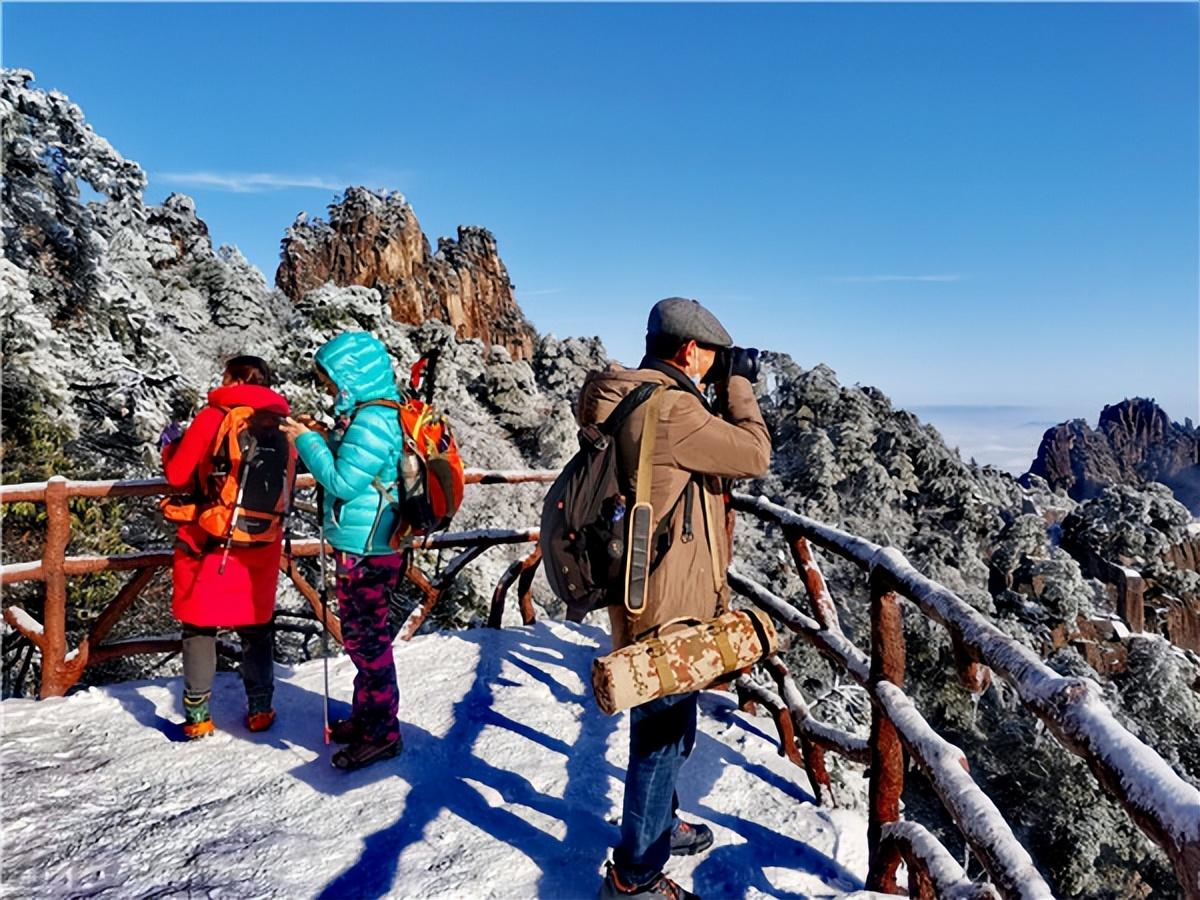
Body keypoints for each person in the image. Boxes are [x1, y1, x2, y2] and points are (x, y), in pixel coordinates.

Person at [577, 298, 771, 900]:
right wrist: (739, 385)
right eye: (712, 357)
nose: (714, 367)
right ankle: (634, 878)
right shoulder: (673, 409)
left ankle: (659, 825)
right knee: (659, 741)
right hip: (666, 602)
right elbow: (755, 454)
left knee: (672, 728)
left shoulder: (630, 396)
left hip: (641, 589)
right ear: (689, 350)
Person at [280, 331, 407, 771]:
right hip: (363, 543)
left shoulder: (373, 420)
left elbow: (343, 482)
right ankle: (368, 717)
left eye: (334, 381)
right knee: (361, 639)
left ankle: (383, 734)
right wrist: (322, 436)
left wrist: (305, 442)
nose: (332, 390)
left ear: (353, 375)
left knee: (369, 643)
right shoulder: (370, 414)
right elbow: (351, 464)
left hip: (370, 548)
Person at [161, 355, 294, 739]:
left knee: (200, 626)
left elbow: (177, 474)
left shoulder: (215, 416)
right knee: (256, 627)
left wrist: (171, 444)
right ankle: (260, 709)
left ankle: (199, 714)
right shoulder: (282, 423)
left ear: (232, 380)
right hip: (263, 540)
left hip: (212, 539)